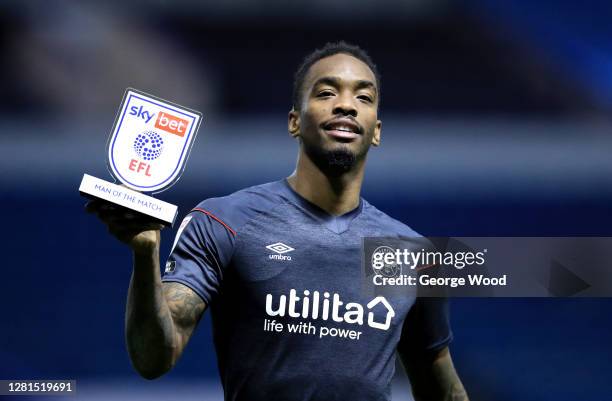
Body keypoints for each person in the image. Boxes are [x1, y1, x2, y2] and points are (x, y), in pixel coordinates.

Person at [87, 41, 469, 401]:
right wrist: (145, 254)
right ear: (294, 122)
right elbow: (154, 357)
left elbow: (442, 389)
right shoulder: (223, 222)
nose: (347, 106)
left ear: (377, 132)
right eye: (326, 93)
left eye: (363, 97)